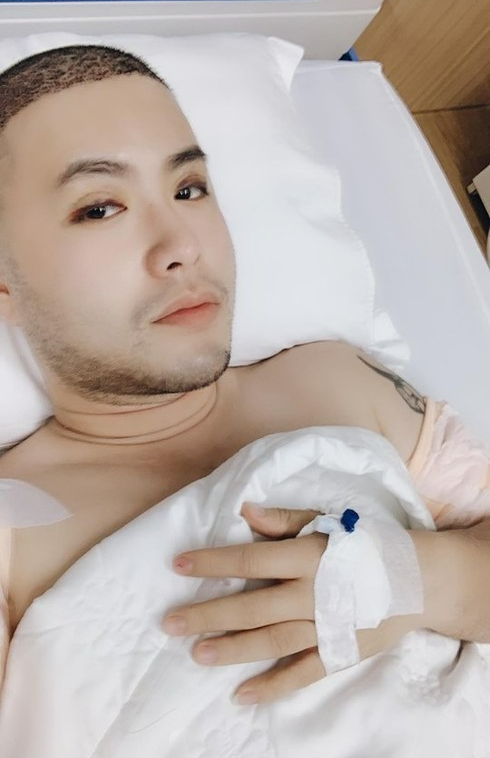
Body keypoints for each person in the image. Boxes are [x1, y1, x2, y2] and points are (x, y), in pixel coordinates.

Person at [0, 44, 489, 706]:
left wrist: (421, 577)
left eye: (189, 189)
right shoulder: (12, 527)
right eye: (99, 208)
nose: (182, 245)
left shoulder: (336, 380)